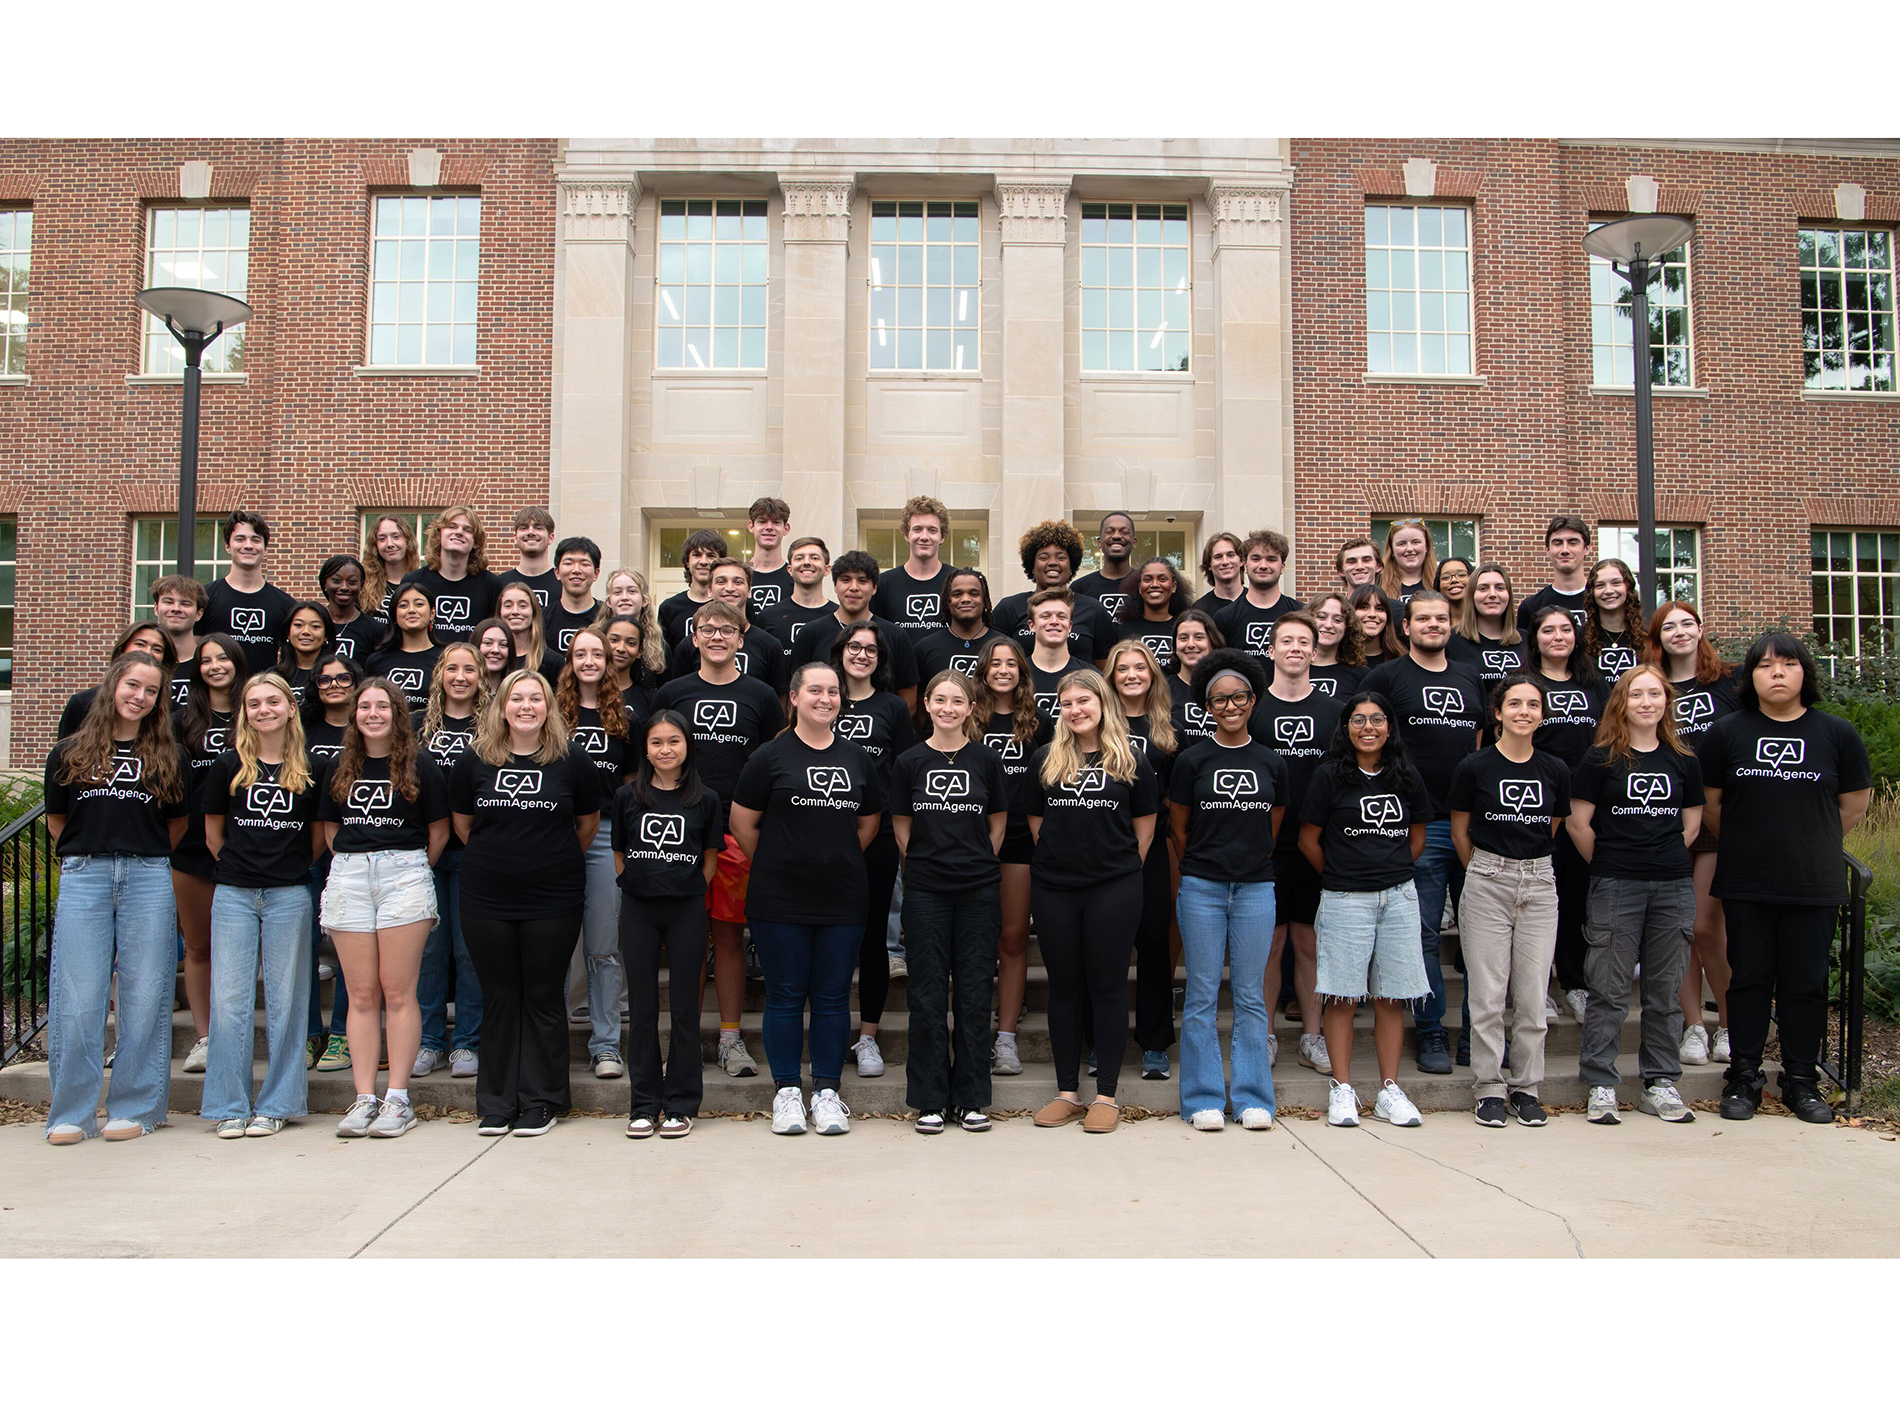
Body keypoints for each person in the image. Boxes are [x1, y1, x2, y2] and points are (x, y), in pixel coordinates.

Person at [1701, 634, 1871, 1124]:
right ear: (1750, 676)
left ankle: (1801, 1080)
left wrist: (1811, 840)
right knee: (1748, 980)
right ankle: (1744, 1078)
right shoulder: (1727, 733)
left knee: (1806, 984)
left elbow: (1854, 804)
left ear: (1804, 674)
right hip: (1746, 880)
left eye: (1788, 663)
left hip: (1812, 883)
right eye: (1765, 664)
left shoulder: (1836, 734)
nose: (1777, 672)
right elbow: (1713, 806)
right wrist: (1750, 843)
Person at [730, 661, 882, 1136]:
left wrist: (831, 859)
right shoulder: (769, 757)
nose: (825, 698)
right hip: (779, 897)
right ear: (793, 697)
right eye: (815, 690)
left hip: (842, 897)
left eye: (833, 691)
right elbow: (742, 823)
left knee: (834, 996)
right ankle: (788, 1093)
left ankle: (828, 1092)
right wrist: (783, 859)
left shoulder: (857, 757)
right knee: (786, 995)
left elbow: (868, 822)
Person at [41, 653, 187, 1145]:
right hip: (86, 873)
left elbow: (175, 824)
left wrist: (141, 856)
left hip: (148, 873)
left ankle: (136, 1107)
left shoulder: (169, 754)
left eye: (151, 692)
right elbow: (58, 820)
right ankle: (71, 1114)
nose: (140, 697)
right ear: (113, 685)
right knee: (78, 998)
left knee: (145, 994)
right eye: (133, 685)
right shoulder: (69, 751)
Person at [448, 670, 598, 1136]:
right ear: (502, 706)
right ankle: (496, 1102)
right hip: (486, 897)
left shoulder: (572, 761)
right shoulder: (474, 760)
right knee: (498, 997)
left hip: (553, 898)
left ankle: (542, 1100)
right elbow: (464, 826)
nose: (527, 706)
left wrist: (544, 861)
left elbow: (587, 825)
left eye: (536, 698)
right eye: (518, 698)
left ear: (549, 707)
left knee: (542, 997)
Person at [653, 598, 785, 1077]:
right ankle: (684, 1040)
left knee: (729, 938)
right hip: (677, 832)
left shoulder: (761, 696)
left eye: (725, 630)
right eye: (706, 628)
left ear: (739, 637)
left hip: (734, 832)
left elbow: (774, 762)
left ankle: (730, 1038)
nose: (715, 637)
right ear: (693, 636)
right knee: (686, 941)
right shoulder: (673, 692)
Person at [315, 677, 452, 1139]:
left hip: (405, 875)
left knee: (398, 992)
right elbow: (331, 832)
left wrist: (403, 868)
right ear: (355, 715)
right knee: (360, 995)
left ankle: (397, 1098)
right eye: (365, 706)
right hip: (350, 876)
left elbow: (438, 830)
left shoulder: (422, 765)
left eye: (382, 706)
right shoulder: (340, 767)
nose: (373, 714)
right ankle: (363, 1097)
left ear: (397, 713)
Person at [1025, 668, 1160, 1135]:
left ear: (1103, 703)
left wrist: (1112, 868)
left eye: (1085, 700)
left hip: (1115, 887)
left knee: (1106, 986)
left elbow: (1144, 828)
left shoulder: (1131, 760)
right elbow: (1038, 824)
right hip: (1055, 888)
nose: (1076, 709)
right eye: (1067, 703)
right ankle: (1067, 1092)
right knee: (1064, 987)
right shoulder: (1045, 758)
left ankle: (1105, 1095)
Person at [1569, 665, 1705, 1126]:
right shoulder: (1600, 758)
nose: (1646, 702)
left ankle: (1660, 1082)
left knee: (1664, 991)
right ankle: (1601, 1082)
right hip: (1615, 884)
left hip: (1672, 885)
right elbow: (1578, 824)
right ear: (1621, 703)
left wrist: (1658, 854)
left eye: (1655, 694)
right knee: (1608, 989)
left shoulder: (1683, 759)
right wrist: (1613, 861)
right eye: (1636, 695)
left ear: (1666, 702)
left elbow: (1691, 825)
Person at [1361, 590, 1483, 1075]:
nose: (1434, 625)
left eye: (1442, 618)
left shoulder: (1470, 675)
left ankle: (1478, 1035)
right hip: (1420, 824)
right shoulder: (1386, 677)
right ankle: (1431, 1030)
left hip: (1477, 825)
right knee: (1425, 934)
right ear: (1405, 626)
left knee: (1481, 938)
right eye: (1424, 619)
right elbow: (1364, 737)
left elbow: (1478, 743)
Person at [199, 672, 322, 1138]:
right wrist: (243, 869)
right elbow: (214, 833)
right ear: (245, 713)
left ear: (291, 708)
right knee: (230, 1001)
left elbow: (315, 841)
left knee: (287, 1001)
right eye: (254, 703)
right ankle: (229, 1105)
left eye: (274, 701)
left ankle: (278, 1103)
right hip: (233, 894)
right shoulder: (227, 764)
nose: (264, 709)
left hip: (289, 894)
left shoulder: (310, 768)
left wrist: (280, 869)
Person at [1299, 692, 1430, 1129]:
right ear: (1346, 727)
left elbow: (1417, 838)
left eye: (1377, 719)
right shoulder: (1328, 777)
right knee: (1342, 997)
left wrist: (1387, 872)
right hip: (1344, 899)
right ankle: (1342, 1090)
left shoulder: (1405, 774)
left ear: (1389, 727)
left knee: (1391, 997)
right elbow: (1309, 840)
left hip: (1398, 897)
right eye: (1359, 720)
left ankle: (1390, 1091)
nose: (1368, 727)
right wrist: (1343, 875)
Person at [1170, 649, 1286, 1131]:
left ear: (1253, 700)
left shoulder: (1271, 761)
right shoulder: (1192, 760)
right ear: (1206, 705)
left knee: (1251, 995)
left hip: (1256, 890)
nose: (1230, 706)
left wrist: (1248, 860)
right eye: (1219, 699)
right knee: (1200, 993)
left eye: (1239, 697)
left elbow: (1273, 825)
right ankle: (1203, 1099)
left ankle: (1253, 1096)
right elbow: (1179, 829)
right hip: (1201, 887)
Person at [892, 670, 1010, 1132]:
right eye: (939, 700)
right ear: (926, 704)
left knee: (975, 991)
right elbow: (901, 822)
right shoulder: (909, 762)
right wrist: (922, 860)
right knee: (925, 994)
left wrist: (980, 859)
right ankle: (930, 1100)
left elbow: (998, 820)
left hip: (978, 887)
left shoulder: (985, 760)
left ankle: (973, 1097)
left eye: (956, 701)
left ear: (971, 708)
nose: (947, 708)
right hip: (925, 889)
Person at [1449, 674, 1569, 1127]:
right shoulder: (1475, 767)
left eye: (1533, 705)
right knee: (1487, 996)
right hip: (1486, 881)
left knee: (1533, 997)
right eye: (1514, 704)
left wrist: (1526, 867)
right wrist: (1484, 871)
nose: (1524, 711)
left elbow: (1552, 826)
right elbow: (1461, 830)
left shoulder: (1555, 769)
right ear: (1497, 713)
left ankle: (1526, 1087)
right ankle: (1488, 1088)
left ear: (1542, 714)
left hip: (1539, 883)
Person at [613, 710, 723, 1137]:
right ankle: (643, 1103)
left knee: (683, 1010)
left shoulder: (705, 799)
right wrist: (632, 882)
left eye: (674, 741)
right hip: (639, 909)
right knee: (642, 1010)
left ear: (688, 746)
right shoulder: (627, 798)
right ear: (645, 748)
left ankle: (680, 1103)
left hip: (686, 910)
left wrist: (688, 887)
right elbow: (619, 853)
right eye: (657, 742)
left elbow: (709, 858)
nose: (665, 749)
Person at [1648, 599, 1742, 1066]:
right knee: (1676, 928)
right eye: (1669, 627)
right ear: (1658, 637)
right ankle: (1692, 1028)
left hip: (1714, 816)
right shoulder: (1653, 686)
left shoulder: (1730, 681)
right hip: (1661, 810)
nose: (1679, 632)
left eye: (1687, 624)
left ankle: (1729, 1024)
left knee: (1706, 925)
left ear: (1701, 629)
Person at [1255, 612, 1344, 1074]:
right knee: (1269, 946)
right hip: (1264, 848)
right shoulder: (1253, 709)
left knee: (1309, 943)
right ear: (1270, 650)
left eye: (1302, 641)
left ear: (1314, 651)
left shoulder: (1332, 713)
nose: (1294, 648)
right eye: (1285, 640)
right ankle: (1265, 1035)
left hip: (1314, 846)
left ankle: (1313, 1036)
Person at [828, 621, 915, 1076]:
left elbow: (904, 772)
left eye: (871, 649)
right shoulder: (823, 698)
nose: (862, 654)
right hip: (822, 833)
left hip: (876, 836)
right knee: (830, 938)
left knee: (873, 940)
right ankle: (829, 1030)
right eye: (854, 646)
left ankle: (867, 1039)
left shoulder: (892, 707)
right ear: (840, 651)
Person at [557, 627, 641, 1081]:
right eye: (580, 654)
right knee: (550, 942)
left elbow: (630, 785)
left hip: (606, 836)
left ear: (610, 662)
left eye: (598, 654)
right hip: (554, 836)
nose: (589, 660)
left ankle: (606, 1045)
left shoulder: (623, 716)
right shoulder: (552, 714)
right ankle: (546, 1043)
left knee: (604, 948)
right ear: (569, 662)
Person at [1526, 603, 1607, 1026]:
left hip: (1587, 805)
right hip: (1535, 805)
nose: (1558, 636)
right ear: (1534, 638)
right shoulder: (1523, 684)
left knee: (1576, 898)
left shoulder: (1594, 685)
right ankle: (1536, 989)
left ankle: (1575, 982)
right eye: (1548, 630)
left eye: (1565, 629)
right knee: (1540, 900)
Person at [409, 644, 485, 1080]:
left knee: (467, 950)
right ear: (439, 674)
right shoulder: (418, 725)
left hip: (471, 853)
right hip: (420, 854)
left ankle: (467, 1043)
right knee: (430, 951)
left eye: (469, 669)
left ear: (480, 676)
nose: (460, 676)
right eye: (451, 668)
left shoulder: (491, 725)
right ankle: (430, 1041)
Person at [974, 635, 1048, 1075]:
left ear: (1022, 671)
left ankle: (1005, 1039)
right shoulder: (968, 718)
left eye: (1011, 663)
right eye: (995, 663)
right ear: (983, 670)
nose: (1003, 670)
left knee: (1013, 939)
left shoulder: (1040, 724)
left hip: (1022, 839)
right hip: (971, 840)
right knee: (976, 943)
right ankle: (971, 1030)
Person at [172, 633, 245, 1074]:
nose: (215, 665)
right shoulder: (182, 720)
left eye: (223, 658)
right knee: (198, 947)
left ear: (237, 662)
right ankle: (204, 1036)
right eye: (206, 660)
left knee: (237, 949)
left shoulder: (256, 712)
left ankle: (234, 1033)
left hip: (248, 844)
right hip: (193, 846)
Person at [1108, 639, 1180, 1080]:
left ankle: (1155, 1044)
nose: (1132, 675)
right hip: (1102, 852)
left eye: (1140, 667)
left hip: (1152, 852)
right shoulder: (1095, 724)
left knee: (1155, 946)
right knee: (1106, 952)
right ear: (1111, 677)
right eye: (1122, 669)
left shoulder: (1169, 731)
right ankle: (1104, 1042)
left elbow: (1174, 796)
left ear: (1152, 675)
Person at [305, 655, 359, 1071]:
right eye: (325, 679)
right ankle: (309, 1035)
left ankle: (340, 1034)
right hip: (304, 850)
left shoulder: (365, 730)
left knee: (346, 951)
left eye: (343, 678)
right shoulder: (301, 728)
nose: (334, 684)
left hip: (350, 851)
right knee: (304, 949)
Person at [787, 550, 921, 709]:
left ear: (874, 588)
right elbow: (797, 691)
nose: (853, 588)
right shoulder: (811, 633)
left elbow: (908, 702)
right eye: (845, 580)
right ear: (835, 586)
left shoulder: (895, 635)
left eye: (862, 581)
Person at [991, 520, 1117, 665]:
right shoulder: (1009, 608)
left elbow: (1103, 671)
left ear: (1071, 566)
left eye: (1061, 557)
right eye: (1043, 557)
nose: (1052, 562)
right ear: (1032, 565)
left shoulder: (1094, 610)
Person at [197, 510, 297, 679]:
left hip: (262, 699)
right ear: (227, 546)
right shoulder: (204, 597)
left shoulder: (286, 604)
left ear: (265, 549)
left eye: (256, 540)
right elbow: (194, 651)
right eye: (240, 539)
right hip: (215, 698)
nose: (248, 545)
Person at [668, 559, 789, 693]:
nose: (730, 588)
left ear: (749, 590)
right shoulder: (689, 645)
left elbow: (779, 701)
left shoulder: (769, 645)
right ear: (709, 590)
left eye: (738, 582)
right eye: (721, 581)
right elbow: (677, 694)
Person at [57, 622, 176, 737]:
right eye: (140, 644)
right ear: (122, 649)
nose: (148, 652)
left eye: (157, 649)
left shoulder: (173, 710)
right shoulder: (82, 703)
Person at [400, 505, 499, 645]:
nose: (459, 532)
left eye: (467, 530)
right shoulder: (414, 581)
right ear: (439, 534)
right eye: (452, 527)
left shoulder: (491, 585)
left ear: (476, 542)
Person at [871, 494, 953, 641]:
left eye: (932, 530)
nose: (924, 536)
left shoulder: (956, 582)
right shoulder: (883, 584)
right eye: (917, 529)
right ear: (906, 535)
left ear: (942, 536)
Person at [1447, 562, 1526, 705]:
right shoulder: (1451, 640)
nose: (1492, 594)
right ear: (1471, 595)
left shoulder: (1527, 641)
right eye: (1483, 589)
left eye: (1500, 588)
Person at [1215, 529, 1303, 657]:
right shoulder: (1224, 617)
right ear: (1245, 566)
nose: (1263, 565)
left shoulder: (1300, 613)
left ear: (1282, 567)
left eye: (1271, 559)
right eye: (1256, 559)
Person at [912, 567, 999, 685]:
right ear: (947, 601)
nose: (966, 599)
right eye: (957, 594)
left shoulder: (1003, 646)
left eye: (974, 594)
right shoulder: (925, 649)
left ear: (984, 600)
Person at [750, 536, 837, 651]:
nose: (806, 562)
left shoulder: (837, 616)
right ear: (789, 570)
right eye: (799, 558)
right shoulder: (767, 617)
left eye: (814, 558)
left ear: (827, 569)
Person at [367, 583, 439, 714]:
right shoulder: (376, 660)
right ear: (394, 615)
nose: (411, 610)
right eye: (403, 605)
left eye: (419, 604)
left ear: (432, 613)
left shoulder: (444, 659)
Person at [1517, 515, 1592, 632]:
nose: (1565, 550)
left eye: (1573, 543)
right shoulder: (1531, 607)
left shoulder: (1601, 600)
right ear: (1547, 550)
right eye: (1558, 543)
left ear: (1587, 548)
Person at [1023, 588, 1092, 719]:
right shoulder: (1016, 675)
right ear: (1031, 625)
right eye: (1045, 616)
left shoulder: (1092, 677)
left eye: (1061, 616)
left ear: (1070, 626)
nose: (1054, 621)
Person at [657, 527, 728, 650]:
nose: (704, 561)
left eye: (711, 555)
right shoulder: (669, 608)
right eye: (697, 555)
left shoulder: (730, 604)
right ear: (687, 562)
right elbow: (664, 656)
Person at [1167, 608, 1225, 749]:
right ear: (1175, 646)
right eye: (1183, 638)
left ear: (1212, 643)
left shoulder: (1226, 687)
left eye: (1199, 637)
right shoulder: (1162, 689)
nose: (1191, 644)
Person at [600, 567, 670, 684]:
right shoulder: (597, 636)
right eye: (617, 592)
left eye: (632, 591)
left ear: (644, 600)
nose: (624, 597)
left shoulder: (658, 645)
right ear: (608, 602)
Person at [1582, 557, 1646, 683]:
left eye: (1616, 583)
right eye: (1600, 585)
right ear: (1592, 592)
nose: (1608, 591)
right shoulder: (1580, 638)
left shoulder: (1647, 637)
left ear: (1628, 587)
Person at [1116, 556, 1190, 666]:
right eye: (1147, 579)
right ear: (1140, 587)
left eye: (1162, 579)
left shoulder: (1185, 629)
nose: (1154, 584)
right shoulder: (1123, 632)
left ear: (1174, 586)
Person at [319, 555, 388, 667]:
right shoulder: (313, 624)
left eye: (352, 582)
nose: (344, 587)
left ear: (361, 585)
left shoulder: (376, 630)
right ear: (324, 583)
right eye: (336, 581)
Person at [494, 579, 565, 684]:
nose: (515, 612)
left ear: (533, 612)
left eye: (523, 606)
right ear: (500, 612)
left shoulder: (552, 662)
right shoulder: (492, 658)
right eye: (508, 605)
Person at [150, 575, 206, 707]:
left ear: (199, 613)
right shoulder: (143, 663)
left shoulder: (210, 664)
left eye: (185, 604)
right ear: (156, 609)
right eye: (168, 602)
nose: (176, 608)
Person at [544, 535, 604, 656]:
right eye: (568, 563)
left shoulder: (608, 617)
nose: (576, 570)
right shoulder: (541, 619)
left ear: (596, 574)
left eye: (584, 564)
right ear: (557, 572)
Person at [1074, 511, 1139, 619]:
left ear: (1134, 542)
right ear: (1099, 542)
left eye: (1124, 532)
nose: (1117, 536)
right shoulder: (1080, 588)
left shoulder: (1145, 585)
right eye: (1109, 532)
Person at [598, 611, 660, 724]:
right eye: (614, 640)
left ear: (639, 652)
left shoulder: (651, 699)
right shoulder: (587, 692)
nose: (621, 648)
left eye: (631, 643)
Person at [1304, 592, 1366, 703]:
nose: (1328, 625)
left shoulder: (1361, 676)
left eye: (1337, 620)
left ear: (1347, 627)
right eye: (1322, 617)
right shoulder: (1290, 669)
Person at [274, 601, 334, 708]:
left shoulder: (337, 676)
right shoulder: (274, 677)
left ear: (326, 635)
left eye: (315, 626)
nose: (306, 631)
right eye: (298, 625)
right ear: (288, 632)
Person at [363, 514, 422, 620]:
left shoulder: (422, 583)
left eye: (396, 537)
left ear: (407, 541)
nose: (389, 544)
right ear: (375, 545)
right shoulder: (364, 585)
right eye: (382, 539)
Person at [505, 506, 562, 609]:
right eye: (524, 528)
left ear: (551, 538)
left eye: (538, 527)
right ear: (515, 538)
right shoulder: (500, 584)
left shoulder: (562, 584)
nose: (531, 532)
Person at [745, 496, 794, 611]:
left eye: (776, 522)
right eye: (762, 521)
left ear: (786, 528)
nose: (769, 527)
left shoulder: (795, 577)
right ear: (751, 526)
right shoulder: (739, 576)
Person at [1378, 519, 1438, 613]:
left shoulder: (1441, 583)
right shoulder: (1378, 584)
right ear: (1392, 550)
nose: (1409, 549)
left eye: (1416, 542)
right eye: (1401, 544)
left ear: (1426, 547)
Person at [1348, 583, 1403, 667]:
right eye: (1364, 607)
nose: (1372, 614)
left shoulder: (1401, 660)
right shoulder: (1338, 658)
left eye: (1379, 609)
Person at [1192, 531, 1245, 613]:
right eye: (1218, 557)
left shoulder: (1257, 602)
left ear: (1242, 560)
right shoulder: (1199, 610)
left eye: (1230, 555)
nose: (1225, 562)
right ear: (1209, 565)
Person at [470, 618, 515, 699]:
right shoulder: (463, 693)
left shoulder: (516, 692)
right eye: (488, 643)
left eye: (503, 645)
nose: (495, 650)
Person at [1435, 555, 1473, 625]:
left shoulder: (1485, 619)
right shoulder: (1433, 622)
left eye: (1461, 575)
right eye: (1446, 577)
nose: (1454, 580)